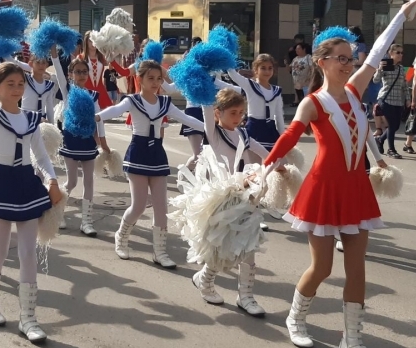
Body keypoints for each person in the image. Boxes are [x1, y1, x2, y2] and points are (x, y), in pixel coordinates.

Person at [263, 0, 416, 348]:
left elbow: (379, 48)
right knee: (322, 268)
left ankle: (352, 340)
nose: (349, 63)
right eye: (341, 57)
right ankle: (296, 318)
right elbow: (288, 138)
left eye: (351, 57)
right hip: (323, 189)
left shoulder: (355, 89)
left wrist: (402, 12)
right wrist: (265, 169)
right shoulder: (312, 103)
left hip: (355, 187)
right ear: (322, 62)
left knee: (358, 268)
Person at [0, 32, 62, 343]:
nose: (17, 89)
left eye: (20, 84)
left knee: (27, 253)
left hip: (26, 183)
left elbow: (40, 154)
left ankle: (28, 317)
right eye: (10, 84)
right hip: (1, 182)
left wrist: (51, 180)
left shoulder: (32, 118)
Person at [96, 60, 205, 269]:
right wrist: (97, 117)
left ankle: (160, 251)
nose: (156, 83)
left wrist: (213, 128)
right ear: (140, 79)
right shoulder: (132, 101)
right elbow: (115, 110)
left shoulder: (165, 103)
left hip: (157, 154)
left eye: (159, 79)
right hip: (137, 153)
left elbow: (186, 118)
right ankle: (121, 237)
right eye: (151, 78)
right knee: (138, 206)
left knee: (161, 206)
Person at [192, 88, 272, 314]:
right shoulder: (214, 133)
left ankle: (246, 296)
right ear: (219, 113)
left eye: (241, 113)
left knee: (249, 246)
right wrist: (203, 78)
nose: (238, 118)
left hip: (245, 196)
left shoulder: (244, 135)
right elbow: (206, 106)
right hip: (221, 200)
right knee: (220, 247)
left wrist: (281, 166)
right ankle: (205, 281)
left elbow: (266, 153)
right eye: (233, 113)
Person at [51, 49, 108, 235]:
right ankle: (57, 212)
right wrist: (53, 52)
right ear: (71, 74)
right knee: (72, 181)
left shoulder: (93, 95)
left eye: (85, 72)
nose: (82, 75)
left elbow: (99, 119)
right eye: (78, 72)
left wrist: (103, 143)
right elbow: (58, 70)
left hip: (88, 142)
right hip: (70, 139)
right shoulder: (67, 91)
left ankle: (87, 221)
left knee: (89, 181)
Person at [227, 55, 285, 165]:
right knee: (253, 168)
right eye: (263, 68)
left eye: (270, 68)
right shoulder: (249, 85)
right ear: (255, 70)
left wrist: (283, 136)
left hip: (270, 131)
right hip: (253, 130)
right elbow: (233, 74)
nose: (267, 71)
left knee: (273, 168)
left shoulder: (276, 91)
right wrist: (227, 55)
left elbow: (279, 116)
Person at [373, 45, 410, 159]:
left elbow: (404, 85)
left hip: (398, 101)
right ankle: (391, 149)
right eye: (398, 52)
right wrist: (379, 69)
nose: (400, 55)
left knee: (396, 126)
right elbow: (375, 80)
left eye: (402, 53)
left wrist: (408, 99)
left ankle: (380, 139)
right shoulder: (386, 65)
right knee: (391, 125)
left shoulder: (401, 68)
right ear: (391, 53)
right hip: (386, 99)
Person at [80, 30, 114, 109]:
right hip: (85, 91)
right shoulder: (81, 58)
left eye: (94, 41)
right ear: (86, 42)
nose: (93, 44)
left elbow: (113, 66)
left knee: (101, 118)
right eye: (90, 41)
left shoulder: (102, 58)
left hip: (100, 91)